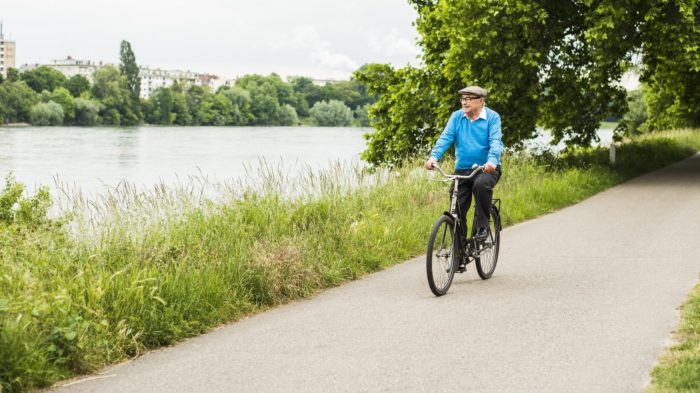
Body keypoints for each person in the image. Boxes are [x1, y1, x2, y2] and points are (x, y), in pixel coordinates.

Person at [424, 85, 503, 241]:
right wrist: (433, 157)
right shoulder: (457, 117)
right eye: (463, 99)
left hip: (486, 169)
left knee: (480, 185)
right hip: (462, 170)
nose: (464, 102)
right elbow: (446, 138)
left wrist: (492, 161)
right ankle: (459, 248)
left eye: (469, 99)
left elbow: (496, 141)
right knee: (457, 204)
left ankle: (482, 226)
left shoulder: (492, 117)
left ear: (481, 101)